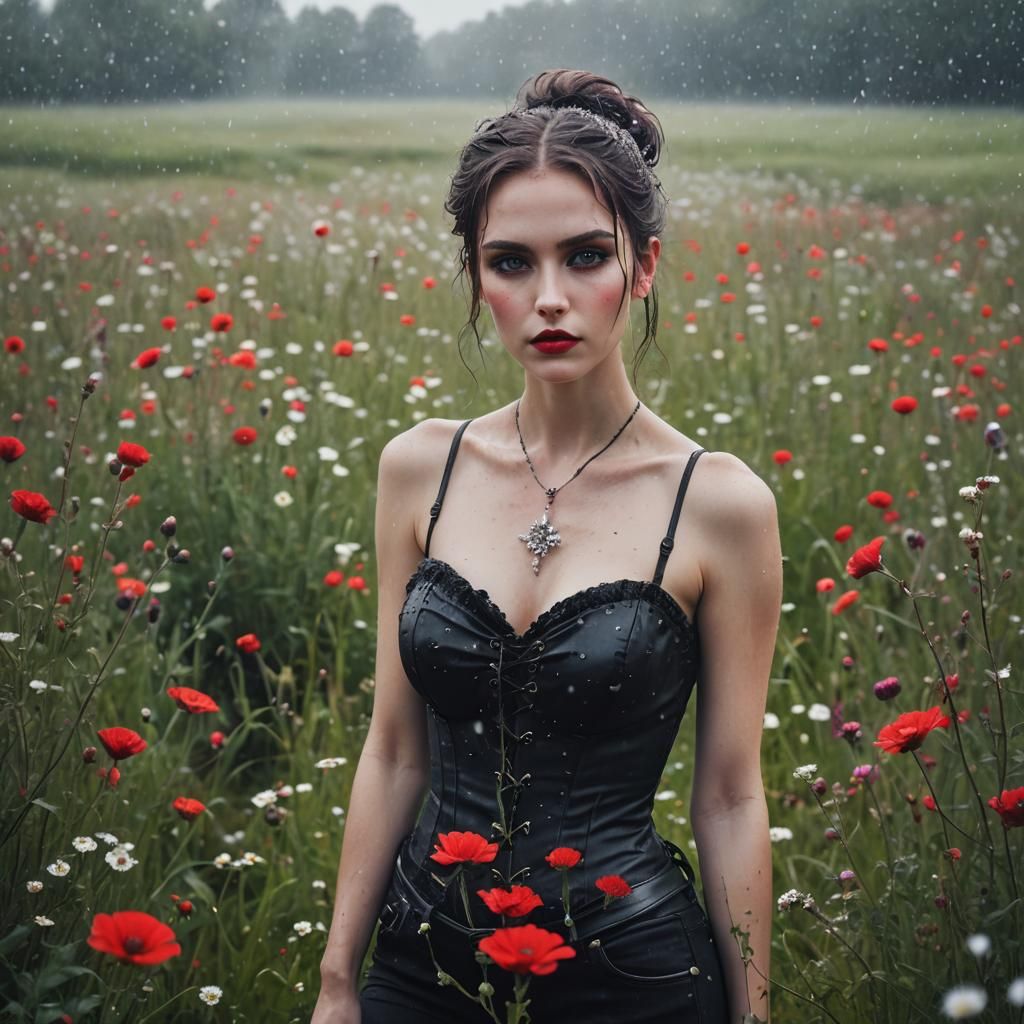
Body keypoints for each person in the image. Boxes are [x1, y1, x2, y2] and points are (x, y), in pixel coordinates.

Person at [312, 69, 780, 1024]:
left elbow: (729, 798)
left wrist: (756, 1015)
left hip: (637, 977)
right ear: (478, 277)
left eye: (586, 257)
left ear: (643, 268)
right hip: (421, 968)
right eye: (513, 262)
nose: (550, 298)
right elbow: (396, 751)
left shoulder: (719, 504)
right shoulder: (421, 470)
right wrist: (335, 983)